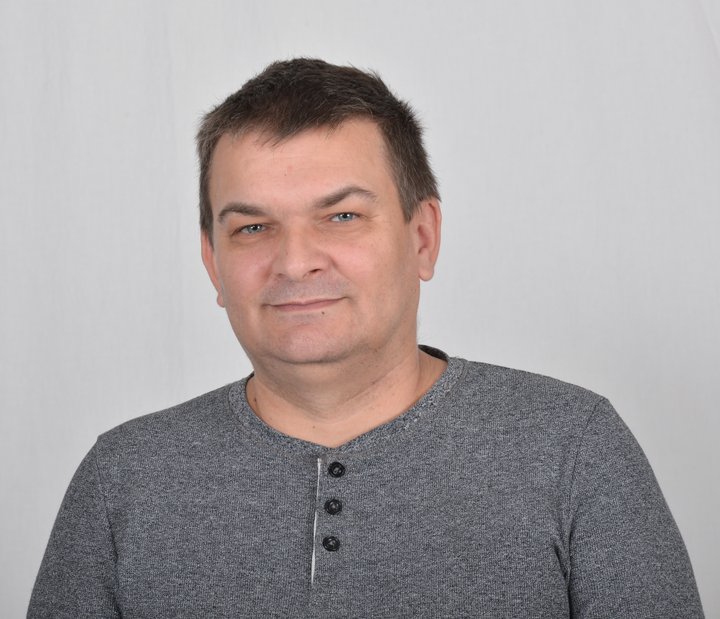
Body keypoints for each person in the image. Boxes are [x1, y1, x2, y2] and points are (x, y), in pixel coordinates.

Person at [29, 58, 703, 618]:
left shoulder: (572, 447)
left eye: (342, 216)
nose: (295, 262)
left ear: (422, 237)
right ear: (213, 264)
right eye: (252, 228)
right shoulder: (122, 480)